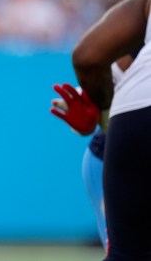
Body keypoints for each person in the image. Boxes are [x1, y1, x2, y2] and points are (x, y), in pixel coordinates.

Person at [64, 0, 151, 260]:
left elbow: (90, 57)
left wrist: (99, 112)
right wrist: (99, 113)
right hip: (113, 144)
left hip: (129, 128)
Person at [50, 56, 133, 251]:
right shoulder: (136, 42)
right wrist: (93, 103)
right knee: (126, 252)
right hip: (116, 158)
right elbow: (91, 55)